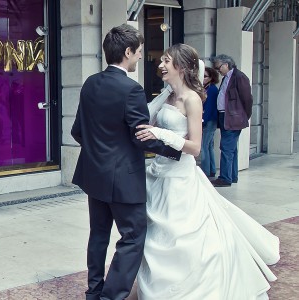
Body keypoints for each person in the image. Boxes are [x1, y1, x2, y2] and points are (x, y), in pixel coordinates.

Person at [135, 43, 279, 299]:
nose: (160, 65)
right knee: (156, 238)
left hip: (180, 180)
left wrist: (160, 133)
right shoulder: (166, 96)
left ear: (181, 66)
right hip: (157, 175)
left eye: (166, 61)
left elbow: (195, 147)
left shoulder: (192, 99)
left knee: (182, 239)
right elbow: (146, 122)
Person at [71, 24, 182, 300]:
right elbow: (140, 137)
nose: (140, 57)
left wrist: (99, 152)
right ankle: (111, 297)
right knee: (132, 238)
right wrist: (176, 150)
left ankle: (94, 292)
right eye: (139, 52)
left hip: (93, 175)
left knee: (98, 235)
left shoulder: (90, 83)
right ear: (128, 52)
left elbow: (77, 131)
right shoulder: (131, 89)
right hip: (123, 179)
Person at [209, 54, 253, 187]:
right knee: (231, 149)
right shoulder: (227, 78)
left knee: (226, 148)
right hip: (225, 116)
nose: (218, 71)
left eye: (218, 68)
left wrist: (243, 116)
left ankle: (225, 178)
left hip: (233, 118)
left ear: (226, 65)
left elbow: (247, 100)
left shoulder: (239, 77)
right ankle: (232, 176)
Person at [200, 66, 220, 177]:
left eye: (205, 76)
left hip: (209, 120)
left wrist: (203, 121)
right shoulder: (207, 88)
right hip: (209, 120)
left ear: (211, 78)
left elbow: (209, 108)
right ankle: (211, 170)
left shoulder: (211, 90)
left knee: (204, 147)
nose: (203, 78)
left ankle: (206, 172)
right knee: (209, 146)